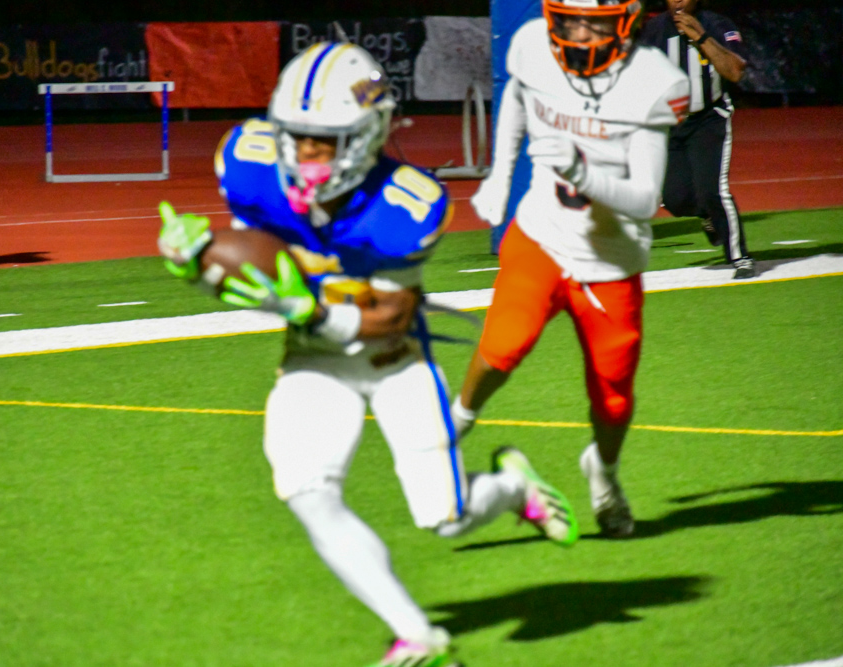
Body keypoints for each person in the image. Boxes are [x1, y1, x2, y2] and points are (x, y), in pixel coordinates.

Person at [157, 42, 578, 667]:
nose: (304, 152)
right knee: (306, 490)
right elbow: (256, 261)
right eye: (295, 135)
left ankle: (514, 487)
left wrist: (312, 309)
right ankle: (419, 636)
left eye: (323, 140)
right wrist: (193, 262)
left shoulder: (406, 202)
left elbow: (393, 315)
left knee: (446, 518)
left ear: (366, 135)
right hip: (314, 359)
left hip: (394, 359)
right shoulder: (247, 162)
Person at [455, 0, 691, 539]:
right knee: (502, 346)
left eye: (594, 21)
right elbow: (518, 96)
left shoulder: (653, 81)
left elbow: (644, 199)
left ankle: (603, 473)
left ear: (626, 21)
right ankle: (451, 429)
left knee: (613, 398)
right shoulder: (534, 45)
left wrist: (581, 171)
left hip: (610, 260)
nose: (579, 33)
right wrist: (500, 174)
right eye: (568, 19)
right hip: (541, 236)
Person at [639, 0, 755, 279]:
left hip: (708, 119)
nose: (678, 0)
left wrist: (701, 37)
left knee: (714, 190)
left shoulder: (718, 25)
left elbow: (735, 71)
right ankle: (706, 214)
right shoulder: (653, 30)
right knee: (674, 199)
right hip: (669, 123)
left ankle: (739, 257)